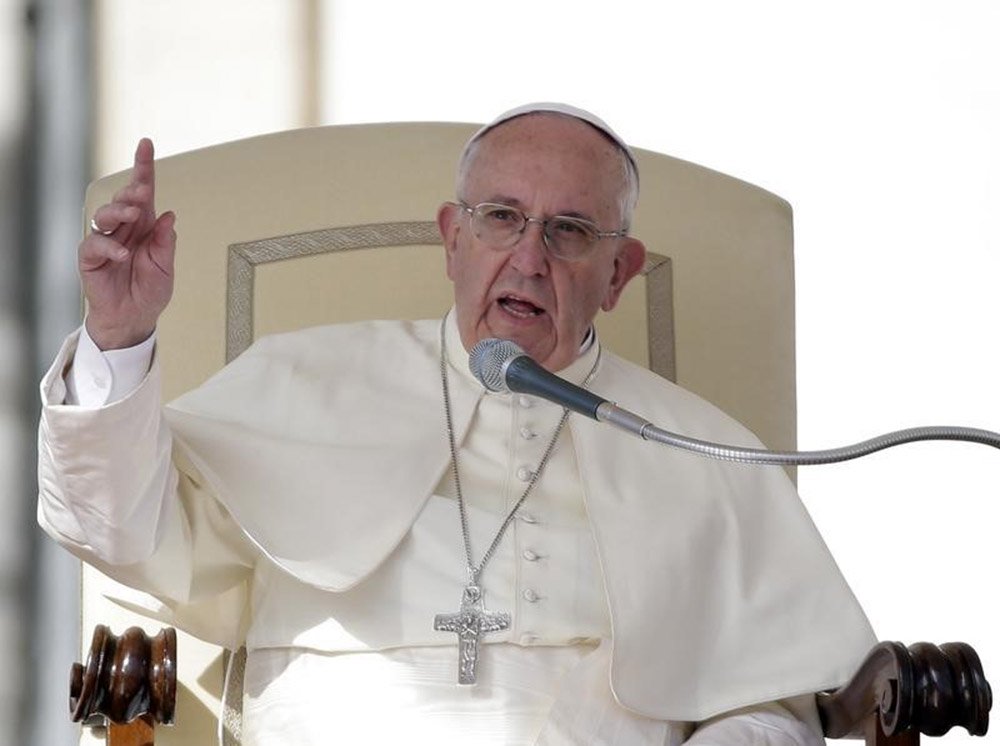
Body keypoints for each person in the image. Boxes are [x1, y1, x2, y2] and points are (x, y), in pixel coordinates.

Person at [38, 103, 875, 745]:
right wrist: (119, 335)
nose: (529, 258)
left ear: (619, 273)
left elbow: (774, 702)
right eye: (501, 217)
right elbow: (119, 528)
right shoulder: (304, 381)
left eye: (570, 231)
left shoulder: (696, 445)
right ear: (452, 238)